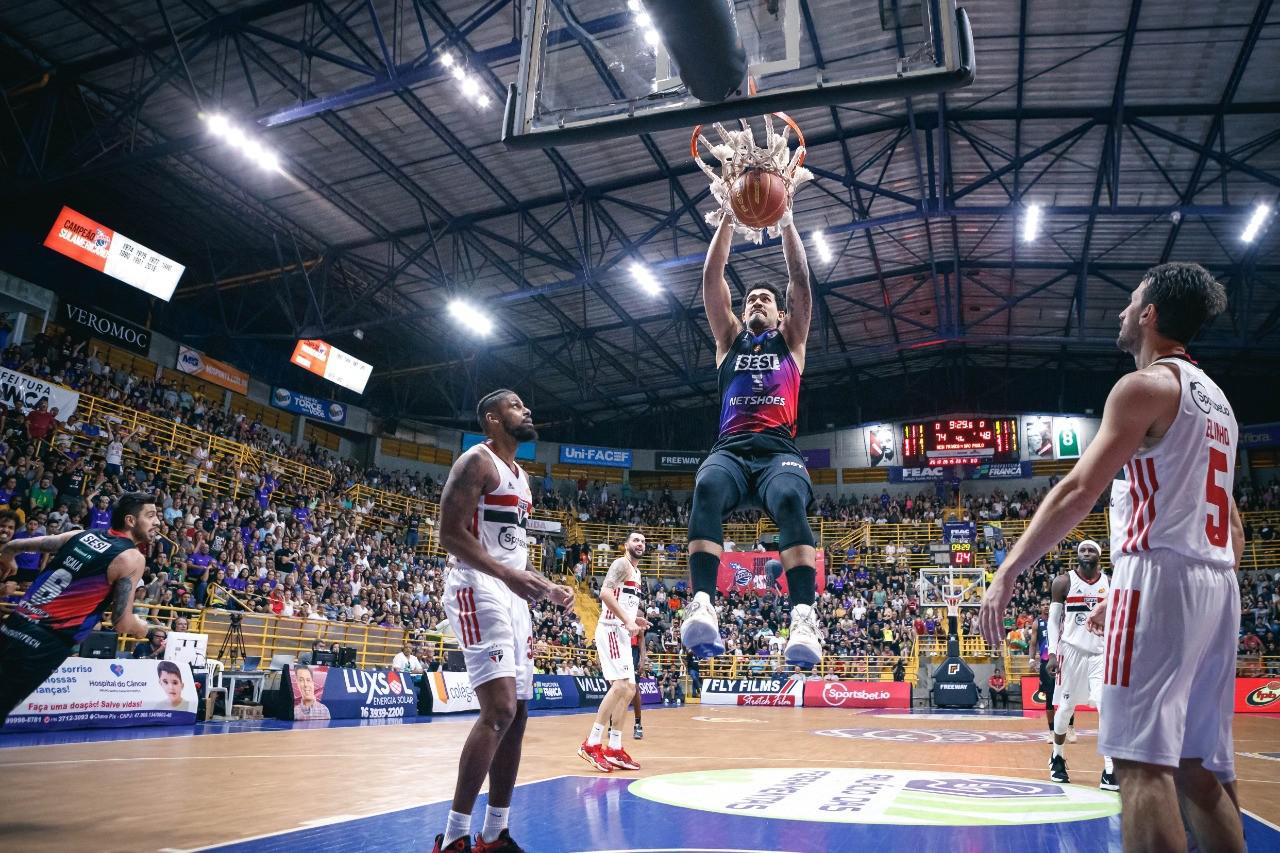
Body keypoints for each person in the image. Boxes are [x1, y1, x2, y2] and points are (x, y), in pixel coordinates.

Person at [979, 263, 1243, 852]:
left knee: (1139, 764)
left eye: (1130, 303)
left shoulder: (1146, 385)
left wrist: (1007, 571)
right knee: (1203, 767)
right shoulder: (1218, 400)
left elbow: (1078, 490)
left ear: (1149, 315)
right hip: (1220, 582)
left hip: (1161, 575)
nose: (1122, 312)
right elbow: (1238, 527)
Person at [434, 389, 574, 853]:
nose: (527, 409)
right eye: (515, 405)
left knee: (518, 715)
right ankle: (454, 837)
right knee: (499, 710)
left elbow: (509, 550)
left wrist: (545, 586)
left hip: (511, 593)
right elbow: (450, 535)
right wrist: (509, 577)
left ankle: (494, 833)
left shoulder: (523, 477)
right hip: (477, 587)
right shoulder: (475, 462)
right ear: (492, 419)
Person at [682, 214, 820, 667]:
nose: (758, 301)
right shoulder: (728, 342)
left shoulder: (791, 341)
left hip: (779, 451)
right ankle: (702, 604)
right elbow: (711, 278)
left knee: (787, 500)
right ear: (743, 314)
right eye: (751, 299)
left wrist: (786, 222)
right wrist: (726, 219)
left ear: (781, 314)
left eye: (767, 299)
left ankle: (803, 615)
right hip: (731, 450)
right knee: (705, 487)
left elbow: (800, 278)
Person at [0, 492, 157, 726]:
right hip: (44, 643)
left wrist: (8, 556)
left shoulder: (81, 534)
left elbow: (14, 545)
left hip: (13, 625)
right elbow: (122, 623)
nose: (157, 522)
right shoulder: (132, 558)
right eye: (151, 515)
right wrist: (144, 628)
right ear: (130, 521)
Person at [1046, 539, 1117, 790]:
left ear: (1099, 556)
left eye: (1090, 550)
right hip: (1071, 652)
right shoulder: (1063, 582)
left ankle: (1110, 769)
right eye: (1082, 550)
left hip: (1101, 653)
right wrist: (1053, 652)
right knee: (1065, 708)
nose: (1086, 553)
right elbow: (1053, 621)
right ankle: (1057, 756)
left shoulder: (1110, 583)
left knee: (1106, 708)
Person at [578, 531, 650, 773]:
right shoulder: (621, 564)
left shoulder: (637, 573)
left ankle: (615, 747)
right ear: (626, 545)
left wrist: (635, 620)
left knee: (629, 689)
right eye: (636, 540)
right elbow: (606, 594)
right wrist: (626, 621)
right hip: (610, 629)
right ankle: (592, 743)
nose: (640, 543)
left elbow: (623, 601)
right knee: (619, 686)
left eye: (643, 541)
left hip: (622, 631)